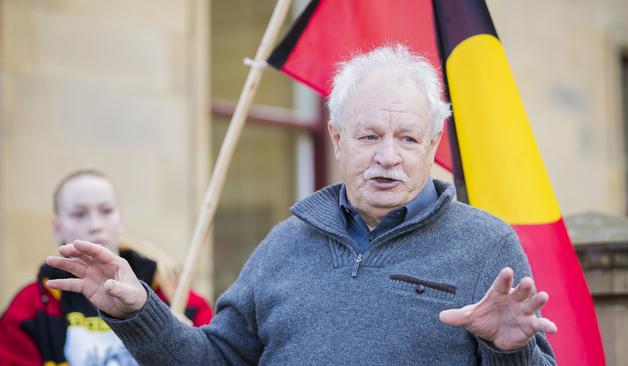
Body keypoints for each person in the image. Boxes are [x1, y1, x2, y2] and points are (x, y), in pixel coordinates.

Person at [46, 45, 558, 365]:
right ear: (336, 138)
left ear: (432, 144)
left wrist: (509, 352)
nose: (387, 157)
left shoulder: (487, 244)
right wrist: (139, 312)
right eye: (369, 135)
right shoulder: (285, 244)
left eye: (407, 138)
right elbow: (218, 360)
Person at [0, 169, 213, 366]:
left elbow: (217, 357)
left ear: (121, 219)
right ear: (57, 228)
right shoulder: (27, 310)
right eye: (79, 214)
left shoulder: (173, 294)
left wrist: (184, 340)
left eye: (106, 211)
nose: (95, 225)